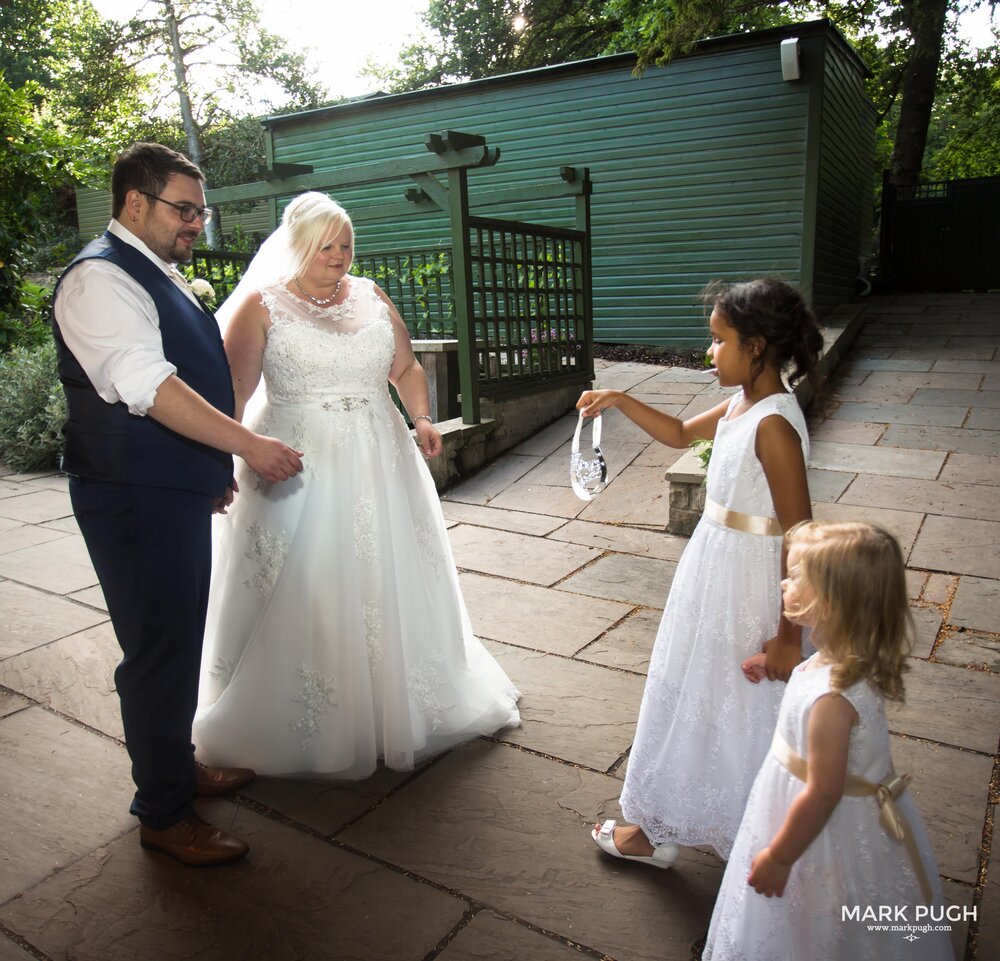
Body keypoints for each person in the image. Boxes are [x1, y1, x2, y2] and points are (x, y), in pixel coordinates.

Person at [192, 191, 520, 777]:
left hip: (380, 457)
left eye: (345, 243)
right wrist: (223, 461)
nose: (339, 255)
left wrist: (421, 416)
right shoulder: (260, 308)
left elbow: (407, 368)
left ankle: (396, 701)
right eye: (326, 245)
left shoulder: (370, 295)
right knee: (309, 579)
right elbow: (235, 397)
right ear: (297, 246)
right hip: (295, 463)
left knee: (384, 575)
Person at [51, 143, 304, 866]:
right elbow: (150, 387)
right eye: (183, 208)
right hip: (130, 496)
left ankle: (175, 764)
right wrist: (248, 447)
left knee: (178, 637)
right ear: (134, 202)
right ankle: (163, 813)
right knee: (157, 650)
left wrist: (212, 465)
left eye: (201, 210)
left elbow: (195, 378)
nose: (197, 223)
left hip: (172, 488)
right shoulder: (99, 279)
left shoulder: (158, 273)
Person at [585, 277, 823, 866]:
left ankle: (739, 828)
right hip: (712, 568)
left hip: (749, 582)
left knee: (736, 704)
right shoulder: (744, 403)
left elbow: (801, 535)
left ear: (758, 346)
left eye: (718, 341)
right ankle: (665, 824)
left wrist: (789, 634)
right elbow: (677, 433)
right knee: (695, 693)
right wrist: (618, 398)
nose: (708, 352)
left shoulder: (774, 424)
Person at [702, 522, 953, 961]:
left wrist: (780, 856)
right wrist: (776, 665)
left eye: (796, 575)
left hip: (821, 830)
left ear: (830, 601)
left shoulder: (833, 703)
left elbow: (822, 793)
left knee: (820, 914)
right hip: (842, 814)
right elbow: (812, 676)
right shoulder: (844, 659)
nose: (784, 581)